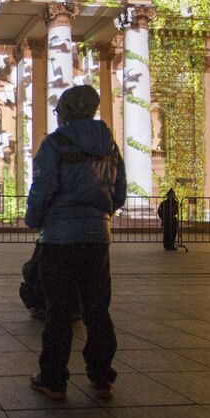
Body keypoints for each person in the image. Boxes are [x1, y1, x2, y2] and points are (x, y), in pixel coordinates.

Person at [24, 85, 127, 402]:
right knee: (98, 310)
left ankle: (53, 380)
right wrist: (98, 214)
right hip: (97, 238)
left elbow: (42, 188)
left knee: (59, 312)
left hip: (59, 240)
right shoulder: (109, 147)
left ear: (66, 112)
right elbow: (119, 192)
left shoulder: (55, 143)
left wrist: (35, 218)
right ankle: (101, 379)